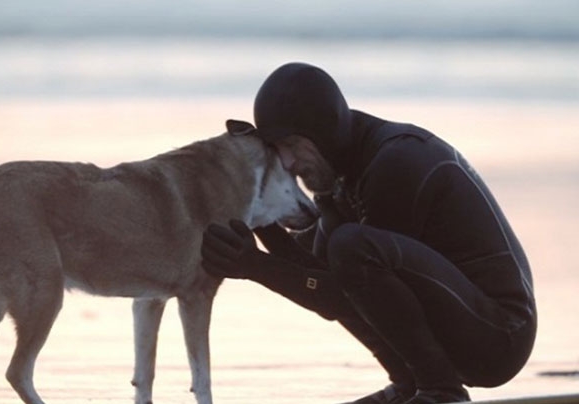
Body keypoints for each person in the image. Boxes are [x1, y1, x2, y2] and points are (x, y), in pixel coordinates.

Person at [201, 62, 537, 404]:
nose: (286, 162)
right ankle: (412, 384)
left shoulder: (397, 161)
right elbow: (318, 280)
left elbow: (342, 294)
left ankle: (440, 390)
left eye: (291, 144)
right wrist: (262, 224)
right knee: (344, 250)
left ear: (322, 130)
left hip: (499, 336)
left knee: (351, 248)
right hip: (464, 325)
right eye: (277, 150)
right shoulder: (341, 178)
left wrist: (255, 266)